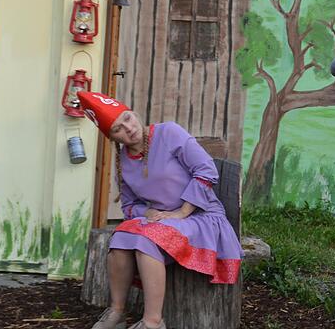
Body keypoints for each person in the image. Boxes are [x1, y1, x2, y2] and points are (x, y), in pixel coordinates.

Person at [78, 92, 243, 329]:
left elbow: (206, 170)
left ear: (133, 113)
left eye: (128, 118)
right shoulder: (122, 160)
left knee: (146, 241)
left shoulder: (168, 133)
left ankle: (153, 322)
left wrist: (182, 212)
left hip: (200, 216)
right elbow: (129, 206)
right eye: (118, 129)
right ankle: (117, 312)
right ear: (113, 137)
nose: (128, 128)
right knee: (121, 239)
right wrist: (147, 213)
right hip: (163, 222)